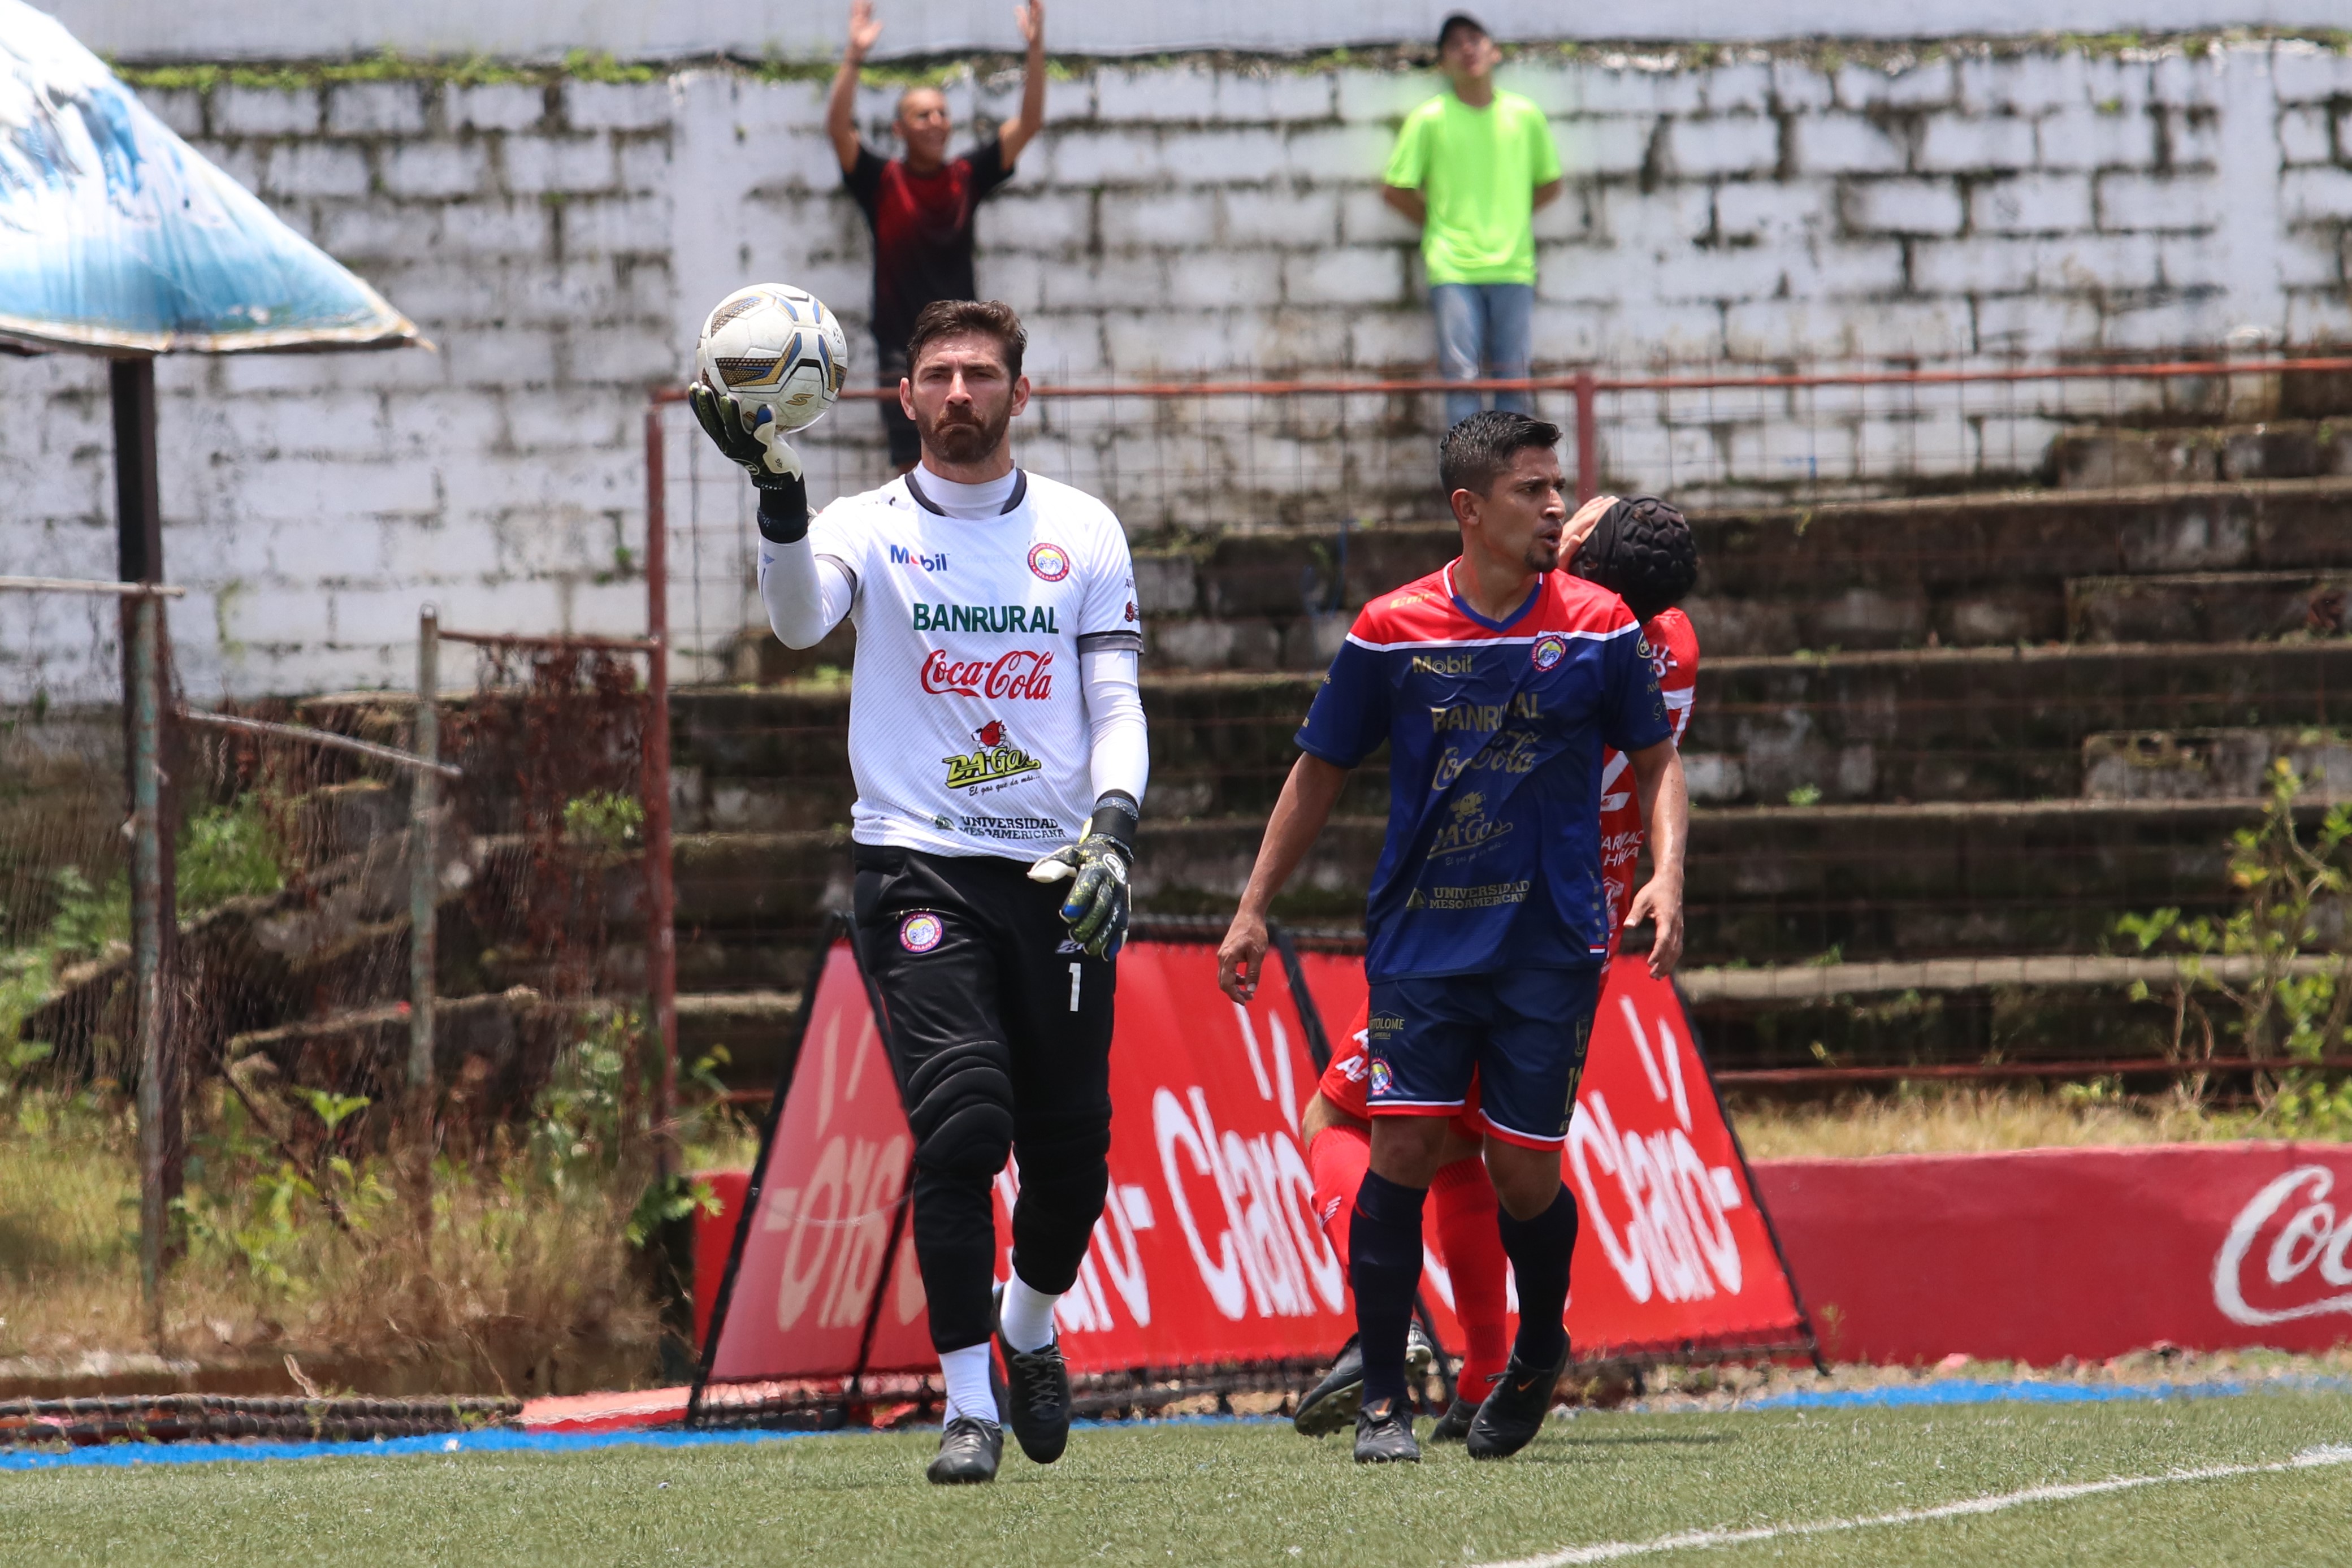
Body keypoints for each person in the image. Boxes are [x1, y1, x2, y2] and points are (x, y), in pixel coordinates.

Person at [688, 298, 1147, 1486]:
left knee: (1070, 1166)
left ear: (1017, 395)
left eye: (979, 376)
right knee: (962, 1125)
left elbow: (1113, 705)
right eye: (937, 374)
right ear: (900, 396)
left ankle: (1028, 1323)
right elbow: (796, 623)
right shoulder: (861, 523)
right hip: (916, 863)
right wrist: (776, 498)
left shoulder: (1082, 530)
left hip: (1056, 872)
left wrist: (1112, 827)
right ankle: (965, 1406)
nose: (957, 394)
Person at [1216, 411, 1688, 1465]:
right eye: (1533, 490)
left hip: (1551, 944)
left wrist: (1667, 874)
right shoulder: (1391, 627)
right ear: (1468, 509)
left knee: (1524, 1171)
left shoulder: (1604, 623)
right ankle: (1385, 1396)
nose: (1556, 507)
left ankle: (1537, 1347)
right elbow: (1319, 770)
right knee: (1400, 1148)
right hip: (1424, 942)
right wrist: (1253, 906)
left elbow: (1658, 761)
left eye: (1559, 487)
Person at [828, 0, 1049, 472]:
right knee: (914, 462)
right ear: (899, 129)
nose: (936, 123)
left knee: (972, 450)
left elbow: (1028, 124)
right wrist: (854, 54)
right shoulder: (881, 181)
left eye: (943, 114)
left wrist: (1035, 47)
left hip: (963, 339)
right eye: (923, 115)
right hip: (898, 345)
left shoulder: (966, 176)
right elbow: (836, 129)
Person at [1382, 14, 1563, 430]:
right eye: (1453, 44)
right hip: (1452, 267)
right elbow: (1395, 189)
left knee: (1513, 383)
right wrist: (1438, 225)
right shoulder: (1430, 118)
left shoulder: (1524, 115)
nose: (1467, 49)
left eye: (1475, 39)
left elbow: (1550, 184)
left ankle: (1514, 486)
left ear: (1494, 51)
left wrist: (1511, 218)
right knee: (1460, 383)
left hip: (1513, 265)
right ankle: (1466, 488)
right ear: (1441, 63)